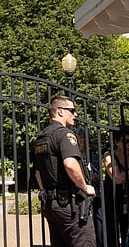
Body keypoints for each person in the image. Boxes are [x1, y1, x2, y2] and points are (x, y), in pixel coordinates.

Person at [34, 95, 97, 247]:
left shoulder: (41, 137)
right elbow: (70, 163)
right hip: (69, 203)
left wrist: (44, 191)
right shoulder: (64, 134)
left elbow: (38, 172)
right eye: (72, 110)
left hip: (52, 204)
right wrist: (85, 187)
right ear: (60, 111)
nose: (75, 115)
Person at [74, 127, 104, 246]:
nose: (82, 141)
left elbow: (98, 176)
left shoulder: (93, 156)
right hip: (79, 196)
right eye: (79, 138)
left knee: (99, 225)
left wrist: (88, 176)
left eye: (84, 138)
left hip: (95, 195)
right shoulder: (73, 156)